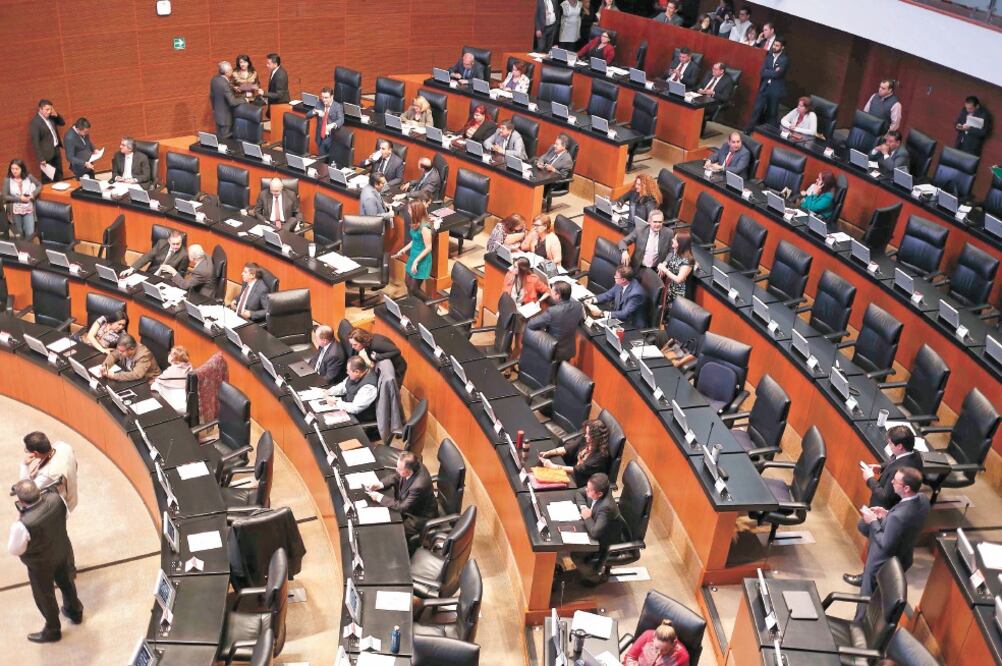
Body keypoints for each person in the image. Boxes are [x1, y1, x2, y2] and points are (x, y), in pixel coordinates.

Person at [845, 468, 930, 615]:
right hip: (904, 556)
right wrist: (887, 515)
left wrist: (873, 521)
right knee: (880, 600)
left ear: (906, 488)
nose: (891, 482)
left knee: (866, 598)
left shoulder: (900, 516)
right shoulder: (922, 499)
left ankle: (858, 626)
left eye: (895, 481)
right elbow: (906, 523)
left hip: (880, 562)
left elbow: (885, 544)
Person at [8, 479, 83, 643]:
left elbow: (15, 549)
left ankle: (53, 630)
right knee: (67, 582)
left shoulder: (22, 525)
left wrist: (21, 517)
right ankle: (75, 612)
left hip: (40, 565)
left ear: (20, 502)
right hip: (61, 551)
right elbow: (65, 517)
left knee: (45, 595)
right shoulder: (56, 499)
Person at [365, 452, 437, 549]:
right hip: (410, 504)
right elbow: (397, 476)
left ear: (408, 471)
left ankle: (404, 552)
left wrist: (379, 497)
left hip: (419, 516)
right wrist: (379, 484)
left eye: (399, 469)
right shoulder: (413, 465)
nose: (396, 469)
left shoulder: (418, 485)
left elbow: (403, 507)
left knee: (395, 532)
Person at [570, 473, 622, 583]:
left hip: (604, 539)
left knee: (575, 554)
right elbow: (579, 492)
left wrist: (587, 518)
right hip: (595, 524)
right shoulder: (595, 490)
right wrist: (583, 507)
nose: (586, 491)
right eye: (587, 488)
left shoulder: (606, 507)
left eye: (589, 491)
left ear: (599, 494)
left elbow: (595, 533)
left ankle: (594, 577)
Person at [862, 426, 925, 510]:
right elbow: (896, 459)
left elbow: (885, 498)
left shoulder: (899, 472)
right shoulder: (914, 453)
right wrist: (881, 467)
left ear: (899, 446)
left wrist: (870, 479)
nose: (889, 446)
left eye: (890, 443)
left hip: (881, 509)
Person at [540, 419, 611, 487]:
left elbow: (578, 470)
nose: (586, 435)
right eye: (586, 433)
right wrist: (548, 453)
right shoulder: (585, 440)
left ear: (596, 438)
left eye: (589, 434)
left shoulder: (600, 456)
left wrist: (554, 467)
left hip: (581, 481)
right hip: (572, 472)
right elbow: (567, 448)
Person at [20, 432, 78, 513]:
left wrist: (25, 465)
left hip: (59, 508)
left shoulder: (47, 474)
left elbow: (26, 492)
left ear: (35, 453)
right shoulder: (63, 446)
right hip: (72, 493)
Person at [526, 281, 583, 362]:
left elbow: (531, 324)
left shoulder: (553, 311)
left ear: (558, 295)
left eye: (552, 291)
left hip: (553, 352)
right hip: (569, 351)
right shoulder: (578, 306)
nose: (550, 293)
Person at [746, 36, 788, 131]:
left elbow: (778, 75)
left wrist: (769, 71)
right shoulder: (769, 56)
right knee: (757, 109)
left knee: (772, 113)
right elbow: (762, 72)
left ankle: (768, 134)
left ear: (782, 47)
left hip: (775, 89)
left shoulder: (784, 59)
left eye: (777, 46)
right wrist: (773, 71)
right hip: (765, 87)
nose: (774, 47)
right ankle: (748, 130)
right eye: (774, 45)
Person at [393, 200, 433, 298]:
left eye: (410, 210)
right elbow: (414, 240)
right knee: (407, 282)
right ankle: (412, 304)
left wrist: (416, 261)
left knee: (414, 288)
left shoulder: (424, 228)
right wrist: (403, 250)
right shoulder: (415, 222)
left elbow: (429, 247)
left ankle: (431, 304)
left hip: (422, 259)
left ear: (416, 211)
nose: (408, 212)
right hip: (414, 255)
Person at [327, 356, 379, 421]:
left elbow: (355, 408)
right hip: (346, 408)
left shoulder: (368, 387)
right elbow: (343, 385)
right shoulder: (356, 375)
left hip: (357, 418)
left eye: (348, 371)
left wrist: (336, 402)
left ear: (357, 372)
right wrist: (329, 391)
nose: (347, 373)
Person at [657, 232, 694, 322]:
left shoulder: (688, 260)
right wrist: (664, 264)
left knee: (673, 317)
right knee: (666, 315)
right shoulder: (676, 251)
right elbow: (670, 259)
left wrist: (664, 270)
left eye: (675, 239)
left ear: (681, 243)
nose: (672, 240)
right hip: (670, 289)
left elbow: (679, 279)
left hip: (679, 294)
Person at [121, 229, 187, 278]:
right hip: (152, 272)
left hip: (167, 279)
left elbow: (181, 274)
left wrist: (165, 278)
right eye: (173, 244)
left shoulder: (184, 255)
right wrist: (132, 268)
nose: (176, 246)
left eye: (178, 244)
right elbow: (147, 256)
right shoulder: (161, 243)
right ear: (169, 241)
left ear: (181, 242)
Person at [623, 619, 691, 666]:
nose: (659, 652)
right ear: (654, 637)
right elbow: (629, 657)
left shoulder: (682, 656)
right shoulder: (647, 635)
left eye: (665, 650)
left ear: (674, 643)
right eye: (656, 648)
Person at [3, 159, 41, 239]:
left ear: (22, 169)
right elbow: (5, 196)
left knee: (30, 233)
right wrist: (19, 199)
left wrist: (33, 195)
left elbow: (39, 185)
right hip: (16, 211)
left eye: (16, 169)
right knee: (19, 234)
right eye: (12, 169)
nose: (14, 171)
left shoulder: (28, 176)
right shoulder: (8, 180)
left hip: (28, 209)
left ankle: (31, 250)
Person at [29, 99, 65, 183]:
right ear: (40, 109)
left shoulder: (51, 117)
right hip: (46, 154)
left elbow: (62, 123)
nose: (49, 112)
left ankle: (60, 190)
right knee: (47, 177)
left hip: (56, 149)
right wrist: (41, 158)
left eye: (50, 109)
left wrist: (56, 114)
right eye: (47, 109)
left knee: (59, 173)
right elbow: (35, 142)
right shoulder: (35, 123)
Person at [151, 346, 192, 412]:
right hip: (189, 402)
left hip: (177, 406)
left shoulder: (170, 371)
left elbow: (157, 381)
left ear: (173, 359)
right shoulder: (190, 367)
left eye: (170, 354)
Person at [210, 61, 242, 139]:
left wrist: (232, 87)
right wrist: (245, 100)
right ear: (226, 72)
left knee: (219, 138)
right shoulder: (224, 84)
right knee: (225, 141)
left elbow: (212, 96)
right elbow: (232, 102)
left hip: (218, 115)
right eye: (231, 70)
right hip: (226, 118)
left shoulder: (214, 80)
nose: (232, 71)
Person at [312, 87, 344, 164]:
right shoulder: (319, 104)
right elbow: (308, 115)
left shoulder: (337, 106)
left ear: (332, 97)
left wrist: (332, 125)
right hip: (320, 137)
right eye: (322, 97)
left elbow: (341, 119)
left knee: (331, 162)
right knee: (321, 162)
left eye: (326, 97)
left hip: (331, 138)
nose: (324, 99)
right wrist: (315, 112)